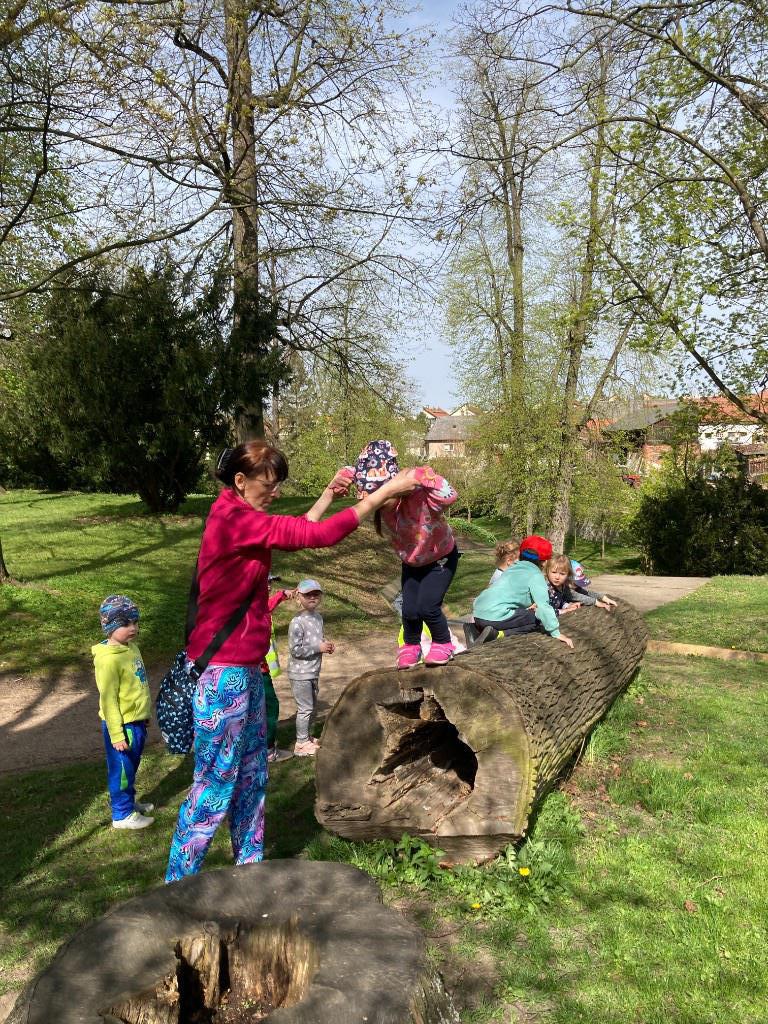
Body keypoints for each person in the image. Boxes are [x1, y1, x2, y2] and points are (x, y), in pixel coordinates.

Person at [165, 440, 418, 883]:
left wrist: (327, 496)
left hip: (245, 671)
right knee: (214, 787)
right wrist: (382, 494)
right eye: (269, 484)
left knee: (251, 778)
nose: (275, 492)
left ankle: (250, 874)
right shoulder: (233, 520)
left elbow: (296, 531)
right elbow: (317, 537)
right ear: (240, 481)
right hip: (222, 676)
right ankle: (177, 886)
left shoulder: (242, 515)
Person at [355, 440, 460, 668]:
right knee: (410, 610)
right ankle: (411, 646)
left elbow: (450, 495)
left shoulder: (419, 496)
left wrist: (422, 475)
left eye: (385, 495)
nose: (380, 502)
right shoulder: (381, 506)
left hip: (440, 558)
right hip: (412, 563)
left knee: (427, 607)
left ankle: (444, 642)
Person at [92, 595, 154, 830]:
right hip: (122, 727)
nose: (133, 628)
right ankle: (121, 815)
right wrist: (116, 735)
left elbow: (137, 686)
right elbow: (109, 701)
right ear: (110, 626)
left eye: (136, 622)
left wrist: (144, 714)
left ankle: (128, 803)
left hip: (135, 722)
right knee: (122, 771)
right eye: (126, 624)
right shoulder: (108, 661)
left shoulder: (132, 648)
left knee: (131, 767)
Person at [471, 535, 575, 648]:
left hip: (478, 613)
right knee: (538, 619)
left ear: (520, 554)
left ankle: (474, 630)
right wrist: (556, 632)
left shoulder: (512, 568)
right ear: (545, 562)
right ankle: (497, 635)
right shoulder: (535, 575)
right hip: (494, 617)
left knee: (522, 612)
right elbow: (543, 606)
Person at [287, 579, 333, 756]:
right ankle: (301, 744)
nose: (312, 597)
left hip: (313, 671)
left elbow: (318, 639)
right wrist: (318, 648)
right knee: (305, 709)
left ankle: (306, 737)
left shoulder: (318, 618)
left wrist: (326, 645)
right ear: (299, 597)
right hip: (300, 674)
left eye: (316, 594)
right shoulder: (297, 622)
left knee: (312, 707)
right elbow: (295, 650)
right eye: (308, 595)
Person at [262, 573, 296, 763]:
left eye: (270, 582)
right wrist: (281, 595)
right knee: (270, 706)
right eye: (265, 582)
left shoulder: (255, 605)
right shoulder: (253, 608)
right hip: (255, 670)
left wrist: (282, 594)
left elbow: (267, 606)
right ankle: (267, 751)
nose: (269, 586)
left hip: (257, 669)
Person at [544, 554, 615, 615]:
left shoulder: (563, 586)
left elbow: (585, 593)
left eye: (562, 574)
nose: (557, 577)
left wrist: (602, 597)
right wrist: (565, 609)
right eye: (554, 572)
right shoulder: (546, 588)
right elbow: (578, 596)